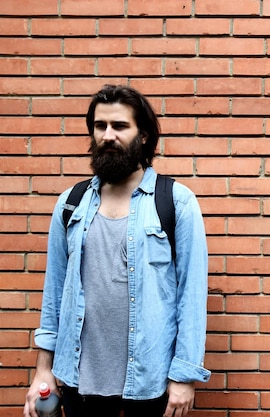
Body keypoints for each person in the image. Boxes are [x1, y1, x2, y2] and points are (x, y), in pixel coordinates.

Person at [24, 85, 210, 417]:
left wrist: (184, 375)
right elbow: (54, 294)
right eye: (100, 126)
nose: (108, 135)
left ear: (143, 136)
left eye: (120, 126)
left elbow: (191, 297)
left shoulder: (176, 202)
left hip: (150, 382)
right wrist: (44, 370)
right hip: (78, 381)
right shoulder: (71, 204)